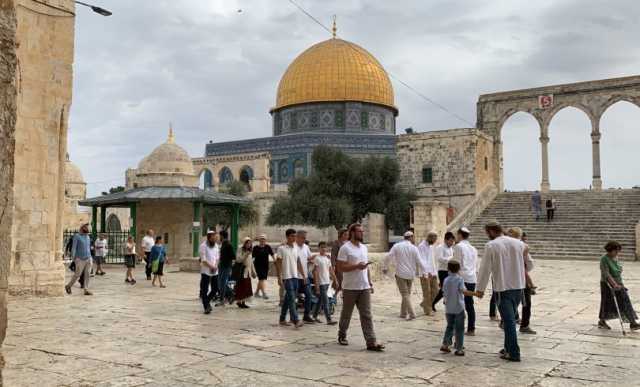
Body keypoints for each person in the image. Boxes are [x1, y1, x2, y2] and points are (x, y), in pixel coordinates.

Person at [476, 221, 527, 362]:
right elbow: (529, 263)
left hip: (503, 288)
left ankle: (514, 353)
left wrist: (480, 289)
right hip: (518, 287)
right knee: (507, 320)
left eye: (487, 233)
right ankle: (507, 348)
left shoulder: (491, 245)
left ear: (491, 231)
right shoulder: (518, 243)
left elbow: (485, 268)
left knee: (509, 321)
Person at [337, 223, 385, 351]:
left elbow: (366, 267)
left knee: (367, 315)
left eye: (362, 231)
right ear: (352, 233)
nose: (362, 234)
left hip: (364, 287)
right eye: (359, 231)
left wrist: (369, 282)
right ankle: (342, 334)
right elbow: (340, 267)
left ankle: (371, 341)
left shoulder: (364, 248)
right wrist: (356, 266)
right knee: (346, 314)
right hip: (349, 287)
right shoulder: (345, 248)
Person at [598, 241, 640, 331]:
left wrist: (619, 273)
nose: (617, 253)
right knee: (607, 303)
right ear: (609, 250)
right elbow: (606, 274)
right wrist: (614, 285)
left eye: (618, 251)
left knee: (625, 301)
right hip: (608, 285)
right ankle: (602, 321)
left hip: (619, 283)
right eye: (615, 251)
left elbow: (618, 269)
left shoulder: (615, 258)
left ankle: (633, 323)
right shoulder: (604, 259)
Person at [440, 261, 477, 356]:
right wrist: (475, 294)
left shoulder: (446, 280)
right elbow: (463, 291)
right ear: (459, 269)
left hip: (449, 308)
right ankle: (459, 348)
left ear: (448, 269)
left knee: (450, 326)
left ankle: (445, 344)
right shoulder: (459, 279)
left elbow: (444, 292)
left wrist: (445, 300)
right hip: (458, 307)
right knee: (459, 328)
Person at [383, 231, 422, 320]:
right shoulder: (414, 248)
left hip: (400, 274)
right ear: (411, 237)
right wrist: (425, 271)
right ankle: (403, 313)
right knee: (407, 294)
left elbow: (388, 256)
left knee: (405, 294)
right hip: (410, 275)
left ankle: (412, 314)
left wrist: (385, 267)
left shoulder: (397, 246)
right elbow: (419, 261)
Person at [275, 229, 305, 328]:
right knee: (292, 298)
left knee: (288, 298)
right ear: (287, 236)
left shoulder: (296, 247)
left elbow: (298, 262)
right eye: (292, 236)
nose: (294, 238)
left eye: (295, 236)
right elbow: (278, 263)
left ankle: (282, 319)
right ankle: (295, 319)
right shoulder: (281, 248)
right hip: (286, 277)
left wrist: (304, 275)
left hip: (295, 276)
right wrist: (279, 277)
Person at [453, 226, 478, 336]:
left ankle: (458, 328)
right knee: (469, 304)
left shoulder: (459, 247)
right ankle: (471, 328)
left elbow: (456, 264)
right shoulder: (473, 248)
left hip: (461, 278)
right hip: (471, 278)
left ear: (460, 235)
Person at [312, 241, 338, 325]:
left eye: (325, 247)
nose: (323, 249)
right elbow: (315, 272)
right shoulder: (317, 258)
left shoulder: (327, 259)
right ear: (319, 248)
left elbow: (331, 270)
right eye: (322, 247)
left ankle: (314, 316)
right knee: (326, 301)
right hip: (321, 283)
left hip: (327, 282)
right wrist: (317, 285)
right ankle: (329, 319)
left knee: (320, 301)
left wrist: (335, 280)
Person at [65, 223, 93, 296]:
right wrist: (74, 258)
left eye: (87, 227)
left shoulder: (88, 237)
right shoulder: (77, 236)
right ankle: (68, 286)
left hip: (88, 258)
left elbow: (88, 247)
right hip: (80, 259)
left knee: (87, 274)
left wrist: (90, 257)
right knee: (77, 274)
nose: (87, 228)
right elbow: (74, 248)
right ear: (81, 228)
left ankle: (86, 289)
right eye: (85, 227)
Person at [431, 232, 455, 311]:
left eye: (453, 241)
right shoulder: (440, 247)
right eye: (450, 241)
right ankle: (432, 303)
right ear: (445, 240)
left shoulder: (451, 248)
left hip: (450, 271)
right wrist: (450, 259)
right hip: (442, 271)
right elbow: (439, 258)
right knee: (443, 289)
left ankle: (446, 301)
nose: (452, 243)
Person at [417, 231, 439, 316]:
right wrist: (427, 272)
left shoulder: (430, 246)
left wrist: (434, 272)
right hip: (424, 274)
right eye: (434, 240)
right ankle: (427, 310)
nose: (435, 242)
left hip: (432, 273)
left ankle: (424, 304)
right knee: (427, 292)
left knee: (436, 291)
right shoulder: (421, 246)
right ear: (430, 238)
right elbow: (422, 261)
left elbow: (431, 260)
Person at [296, 230, 315, 324]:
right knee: (291, 297)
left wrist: (316, 258)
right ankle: (292, 316)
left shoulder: (306, 247)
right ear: (297, 237)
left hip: (305, 276)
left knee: (309, 295)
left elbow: (309, 258)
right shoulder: (293, 247)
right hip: (295, 276)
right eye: (303, 237)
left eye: (305, 238)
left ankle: (306, 315)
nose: (304, 239)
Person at [199, 230, 219, 314]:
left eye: (216, 237)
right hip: (206, 270)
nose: (215, 239)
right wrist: (211, 266)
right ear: (209, 238)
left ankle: (206, 301)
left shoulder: (216, 245)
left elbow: (217, 257)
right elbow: (203, 260)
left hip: (215, 270)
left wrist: (215, 266)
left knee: (215, 289)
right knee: (204, 290)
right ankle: (206, 307)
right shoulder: (203, 246)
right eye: (214, 237)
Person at [234, 237, 256, 309]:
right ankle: (239, 301)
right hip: (242, 271)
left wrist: (253, 272)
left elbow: (251, 262)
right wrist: (246, 255)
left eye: (250, 243)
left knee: (246, 287)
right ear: (244, 243)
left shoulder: (250, 251)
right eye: (247, 243)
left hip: (248, 272)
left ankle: (243, 302)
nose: (248, 244)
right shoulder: (240, 250)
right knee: (241, 287)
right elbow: (238, 260)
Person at [216, 230, 236, 306]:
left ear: (222, 236)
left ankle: (223, 300)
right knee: (220, 283)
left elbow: (233, 256)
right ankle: (231, 295)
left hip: (226, 266)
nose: (219, 237)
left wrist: (230, 265)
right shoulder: (223, 244)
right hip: (221, 266)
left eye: (219, 235)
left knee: (222, 283)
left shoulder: (228, 245)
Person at [252, 234, 273, 299]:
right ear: (259, 240)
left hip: (265, 266)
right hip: (258, 266)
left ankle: (256, 293)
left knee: (261, 279)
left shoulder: (268, 247)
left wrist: (275, 261)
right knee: (262, 279)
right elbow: (252, 257)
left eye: (264, 239)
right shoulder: (255, 247)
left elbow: (272, 254)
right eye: (261, 239)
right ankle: (264, 293)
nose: (262, 240)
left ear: (265, 240)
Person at [331, 228, 349, 294]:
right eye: (345, 234)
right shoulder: (336, 243)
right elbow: (333, 255)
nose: (347, 236)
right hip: (339, 266)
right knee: (338, 283)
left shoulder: (348, 243)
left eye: (347, 234)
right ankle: (333, 297)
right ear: (341, 235)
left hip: (346, 266)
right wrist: (333, 266)